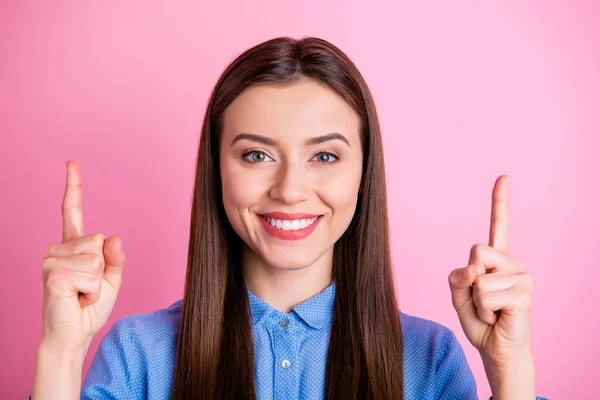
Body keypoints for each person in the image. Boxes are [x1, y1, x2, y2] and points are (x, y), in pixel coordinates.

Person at [31, 36, 548, 399]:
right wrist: (62, 351)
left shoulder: (428, 358)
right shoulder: (139, 355)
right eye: (256, 155)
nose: (290, 190)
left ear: (364, 174)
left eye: (325, 156)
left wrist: (511, 370)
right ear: (217, 171)